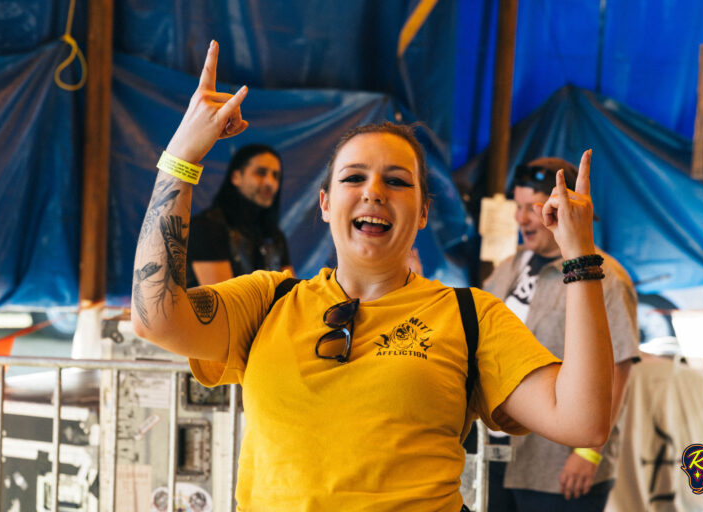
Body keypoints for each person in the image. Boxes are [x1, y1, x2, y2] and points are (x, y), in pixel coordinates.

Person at [132, 40, 615, 511]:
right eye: (353, 177)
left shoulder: (470, 316)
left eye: (398, 181)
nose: (374, 192)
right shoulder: (267, 300)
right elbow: (155, 318)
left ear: (424, 212)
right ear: (324, 204)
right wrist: (182, 158)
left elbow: (584, 422)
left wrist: (580, 257)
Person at [483, 157, 640, 511]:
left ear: (559, 211)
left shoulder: (607, 276)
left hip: (555, 464)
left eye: (532, 208)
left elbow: (619, 368)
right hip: (497, 453)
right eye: (518, 207)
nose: (521, 218)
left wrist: (588, 452)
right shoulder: (511, 266)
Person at [185, 143, 292, 287]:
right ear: (236, 177)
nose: (270, 182)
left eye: (276, 176)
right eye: (261, 172)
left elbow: (293, 296)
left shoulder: (274, 236)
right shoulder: (206, 227)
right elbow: (223, 302)